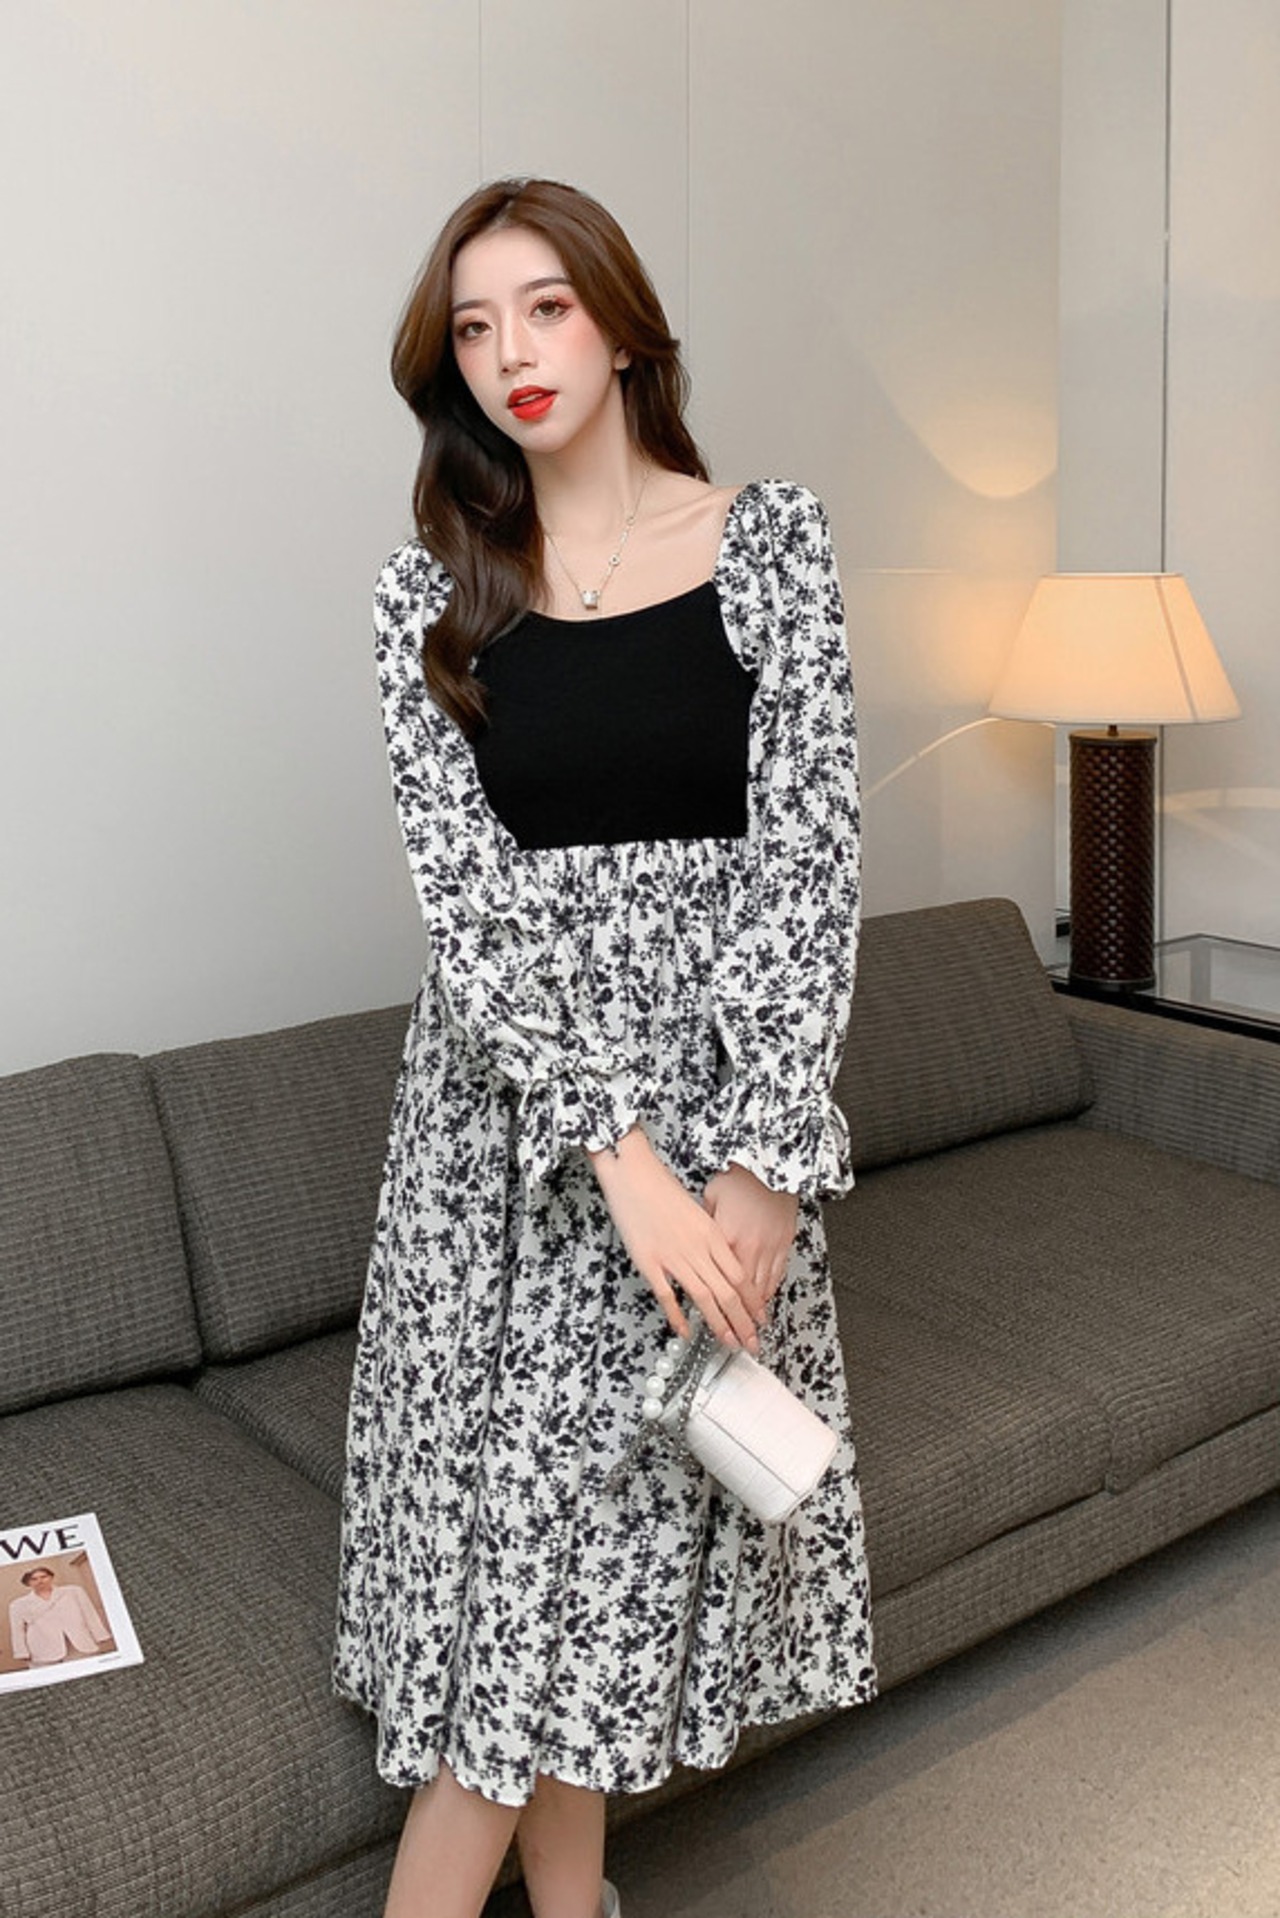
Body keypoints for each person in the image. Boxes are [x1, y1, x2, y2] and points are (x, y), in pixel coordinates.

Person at [333, 177, 875, 1918]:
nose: (514, 351)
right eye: (476, 327)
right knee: (513, 1622)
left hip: (722, 1134)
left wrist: (764, 1164)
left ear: (622, 324)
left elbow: (808, 863)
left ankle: (579, 1901)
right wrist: (621, 1160)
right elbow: (472, 914)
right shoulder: (427, 600)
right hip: (508, 1161)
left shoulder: (772, 545)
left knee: (609, 1578)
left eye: (546, 306)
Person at [8, 1564, 111, 1665]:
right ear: (28, 1583)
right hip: (42, 1646)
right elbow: (17, 1630)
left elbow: (89, 1614)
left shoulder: (73, 1591)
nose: (40, 1581)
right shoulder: (18, 1604)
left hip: (78, 1642)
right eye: (34, 1579)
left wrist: (100, 1635)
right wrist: (21, 1652)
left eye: (43, 1577)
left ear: (51, 1577)